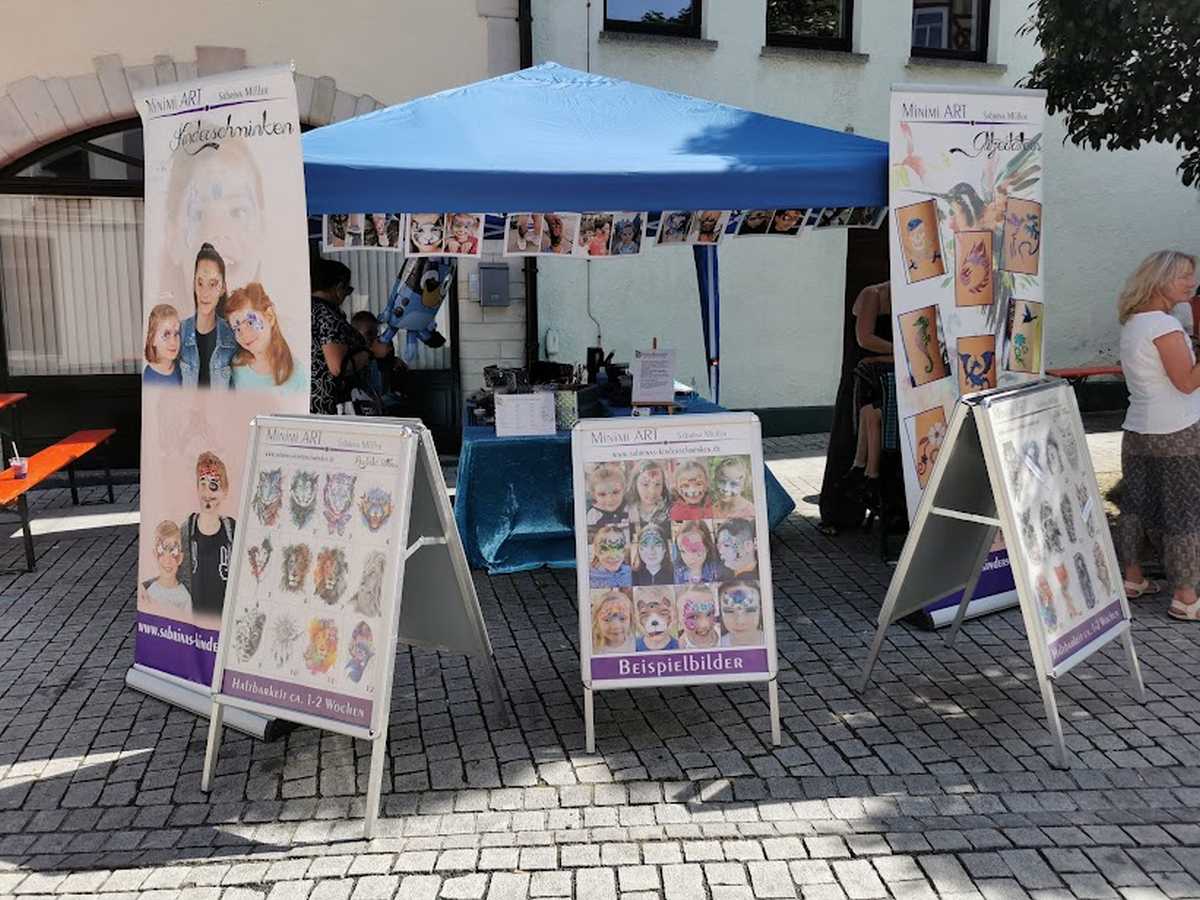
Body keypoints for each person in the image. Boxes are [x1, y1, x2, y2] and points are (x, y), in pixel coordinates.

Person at [1113, 250, 1200, 620]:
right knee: (1183, 512)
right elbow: (1186, 383)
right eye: (1183, 276)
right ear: (1160, 280)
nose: (1192, 283)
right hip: (1177, 432)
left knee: (1136, 506)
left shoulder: (1134, 323)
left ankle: (1132, 579)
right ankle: (1186, 598)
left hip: (1138, 429)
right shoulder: (1164, 326)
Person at [841, 281, 893, 507]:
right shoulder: (873, 294)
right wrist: (901, 349)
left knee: (871, 415)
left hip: (883, 369)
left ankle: (862, 468)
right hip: (869, 374)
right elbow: (865, 338)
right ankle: (868, 472)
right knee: (871, 414)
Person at [179, 451, 236, 625]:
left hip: (225, 621)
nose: (207, 493)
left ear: (225, 491)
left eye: (214, 485)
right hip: (195, 622)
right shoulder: (187, 529)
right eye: (202, 484)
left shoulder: (232, 529)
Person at [310, 257, 370, 415]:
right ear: (338, 288)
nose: (346, 297)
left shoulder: (305, 310)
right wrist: (368, 353)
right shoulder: (327, 316)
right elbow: (338, 367)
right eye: (347, 290)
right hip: (329, 406)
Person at [179, 243, 238, 389]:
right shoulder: (179, 333)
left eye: (213, 284)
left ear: (223, 288)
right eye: (200, 283)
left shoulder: (233, 336)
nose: (205, 293)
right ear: (194, 284)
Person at [226, 283, 304, 392]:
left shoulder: (297, 375)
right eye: (237, 329)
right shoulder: (237, 366)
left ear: (269, 316)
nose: (244, 335)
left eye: (250, 322)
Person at [140, 520, 191, 613]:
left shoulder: (184, 597)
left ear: (180, 558)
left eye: (173, 553)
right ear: (155, 554)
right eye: (162, 553)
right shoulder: (148, 592)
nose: (167, 561)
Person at [143, 304, 183, 386]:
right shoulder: (150, 380)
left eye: (176, 333)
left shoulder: (182, 368)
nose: (173, 342)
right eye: (166, 334)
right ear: (152, 339)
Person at [673, 520, 720, 584]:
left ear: (707, 547)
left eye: (694, 550)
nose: (689, 557)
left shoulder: (717, 572)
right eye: (683, 551)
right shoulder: (676, 573)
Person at [626, 460, 670, 528]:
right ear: (635, 484)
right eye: (645, 484)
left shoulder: (670, 510)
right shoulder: (627, 510)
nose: (652, 491)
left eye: (657, 484)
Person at [718, 580, 763, 647]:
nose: (740, 621)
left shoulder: (769, 641)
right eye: (729, 611)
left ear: (761, 610)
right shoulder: (715, 645)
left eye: (750, 610)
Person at [591, 589, 634, 654]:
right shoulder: (593, 649)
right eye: (607, 620)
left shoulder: (635, 644)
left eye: (622, 618)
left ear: (631, 619)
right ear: (597, 621)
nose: (616, 626)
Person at [585, 463, 629, 527]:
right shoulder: (592, 515)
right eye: (602, 494)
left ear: (623, 490)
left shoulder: (630, 507)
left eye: (615, 492)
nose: (610, 499)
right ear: (594, 495)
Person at [677, 584, 720, 649]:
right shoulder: (678, 647)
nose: (705, 624)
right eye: (693, 617)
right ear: (678, 619)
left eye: (709, 614)